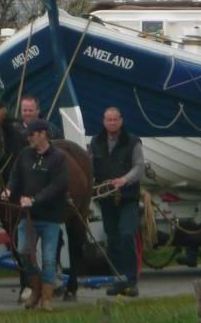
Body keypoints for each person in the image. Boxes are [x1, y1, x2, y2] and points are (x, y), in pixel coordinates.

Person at [2, 118, 67, 312]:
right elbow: (15, 177)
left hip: (50, 218)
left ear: (42, 134)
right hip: (27, 217)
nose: (29, 138)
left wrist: (35, 199)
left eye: (32, 135)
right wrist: (9, 190)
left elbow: (57, 186)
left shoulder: (58, 158)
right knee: (23, 253)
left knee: (48, 259)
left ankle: (46, 299)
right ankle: (35, 291)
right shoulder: (24, 155)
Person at [89, 106, 143, 298]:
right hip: (106, 199)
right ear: (103, 121)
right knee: (112, 240)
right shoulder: (95, 142)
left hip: (128, 198)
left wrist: (123, 180)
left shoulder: (133, 141)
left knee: (126, 235)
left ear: (121, 121)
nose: (112, 123)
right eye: (108, 120)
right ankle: (118, 280)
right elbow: (89, 166)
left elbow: (139, 167)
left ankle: (131, 280)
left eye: (115, 119)